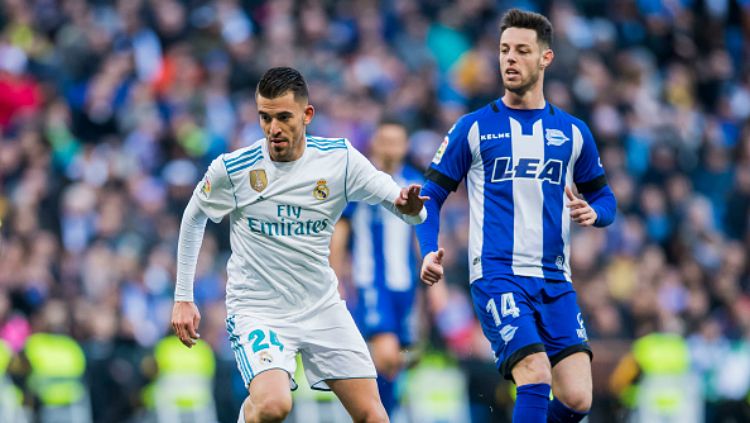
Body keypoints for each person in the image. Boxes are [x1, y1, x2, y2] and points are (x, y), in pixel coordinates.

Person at [170, 67, 428, 423]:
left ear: (307, 115)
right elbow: (193, 216)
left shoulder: (339, 160)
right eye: (265, 117)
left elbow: (399, 203)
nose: (273, 128)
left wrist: (413, 212)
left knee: (374, 415)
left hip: (321, 306)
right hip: (259, 310)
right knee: (274, 406)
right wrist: (183, 297)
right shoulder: (235, 169)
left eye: (283, 118)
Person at [416, 9, 616, 423]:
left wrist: (592, 212)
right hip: (497, 275)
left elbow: (606, 199)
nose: (510, 58)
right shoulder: (473, 128)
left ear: (546, 58)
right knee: (536, 375)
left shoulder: (573, 132)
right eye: (504, 49)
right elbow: (429, 196)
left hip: (555, 280)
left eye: (522, 51)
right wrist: (428, 249)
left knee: (578, 398)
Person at [330, 120, 427, 416]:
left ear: (405, 146)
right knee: (385, 354)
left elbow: (420, 235)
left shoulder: (413, 182)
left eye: (396, 141)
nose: (390, 148)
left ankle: (379, 412)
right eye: (384, 141)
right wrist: (333, 277)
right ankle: (377, 413)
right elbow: (341, 232)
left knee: (401, 357)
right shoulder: (362, 182)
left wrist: (434, 284)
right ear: (375, 144)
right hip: (371, 282)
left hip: (405, 284)